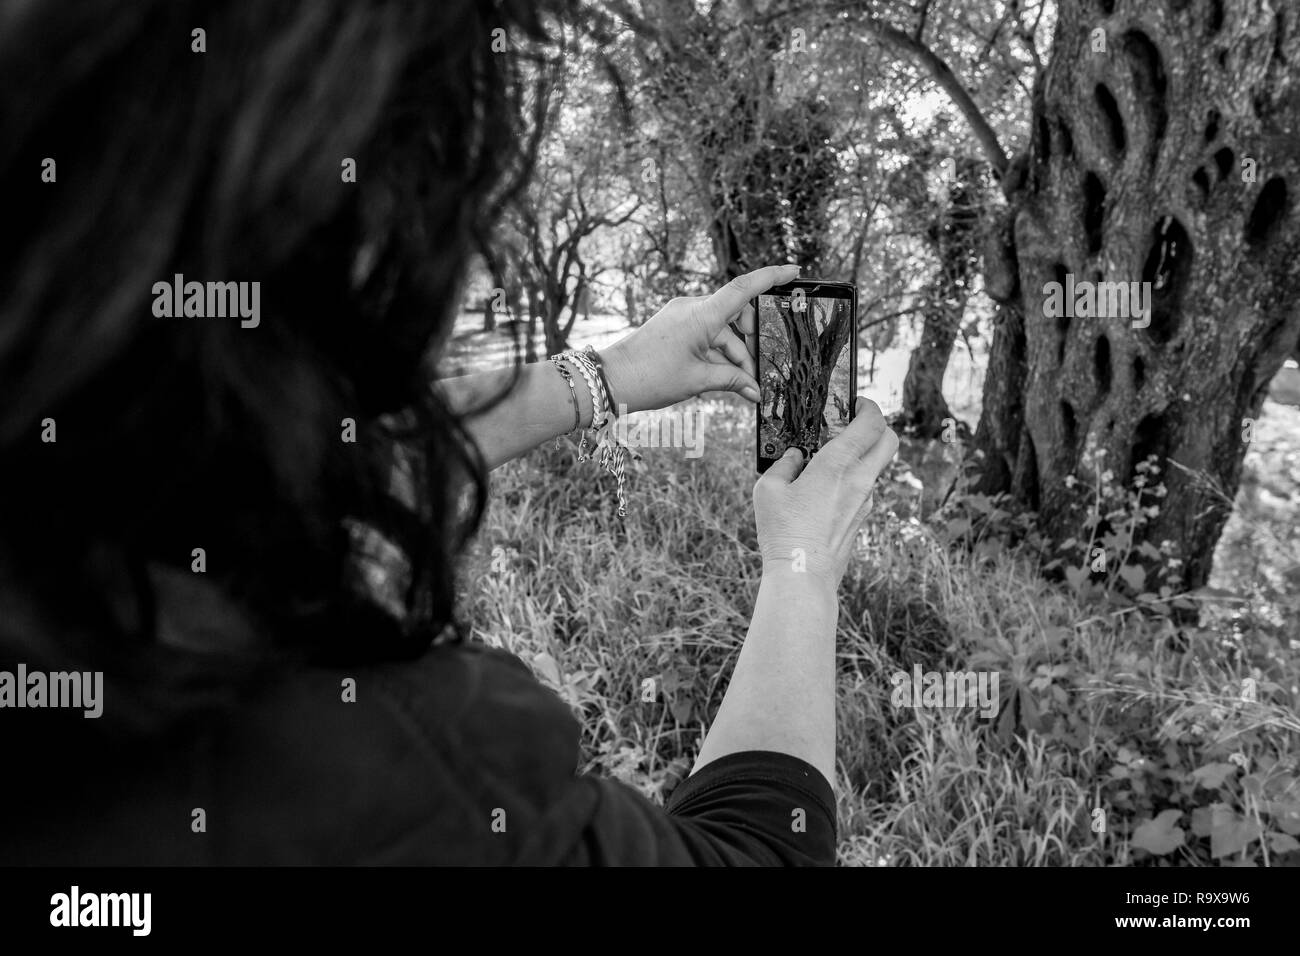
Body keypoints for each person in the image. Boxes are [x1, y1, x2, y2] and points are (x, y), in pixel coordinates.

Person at [0, 0, 896, 865]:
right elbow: (758, 850)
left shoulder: (80, 492)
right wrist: (803, 562)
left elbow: (294, 464)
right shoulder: (398, 775)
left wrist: (610, 375)